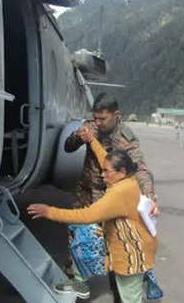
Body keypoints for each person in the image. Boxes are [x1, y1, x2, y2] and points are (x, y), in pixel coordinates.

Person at [28, 132, 157, 303]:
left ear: (122, 171)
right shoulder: (128, 179)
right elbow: (105, 158)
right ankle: (80, 281)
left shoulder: (119, 193)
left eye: (106, 171)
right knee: (127, 293)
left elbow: (86, 215)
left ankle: (80, 283)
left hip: (131, 255)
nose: (102, 175)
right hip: (135, 246)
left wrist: (49, 211)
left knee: (130, 298)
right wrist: (92, 141)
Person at [63, 92, 158, 300]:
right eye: (95, 117)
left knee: (114, 244)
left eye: (102, 119)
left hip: (111, 199)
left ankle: (119, 289)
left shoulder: (126, 138)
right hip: (86, 193)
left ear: (117, 115)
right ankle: (77, 285)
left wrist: (149, 194)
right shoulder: (90, 126)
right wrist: (79, 137)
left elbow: (140, 169)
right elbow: (67, 148)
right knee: (79, 240)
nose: (98, 123)